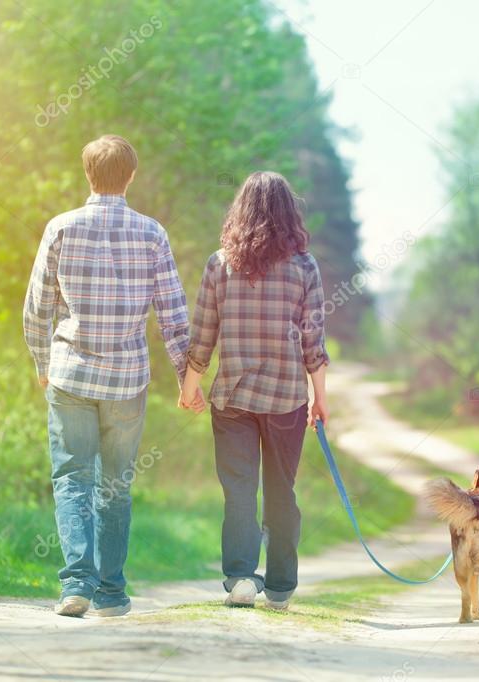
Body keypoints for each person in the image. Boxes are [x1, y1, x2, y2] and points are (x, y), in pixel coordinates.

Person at [23, 134, 201, 618]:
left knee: (71, 480)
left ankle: (75, 585)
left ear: (88, 174)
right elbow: (172, 314)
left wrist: (43, 363)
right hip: (126, 380)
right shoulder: (152, 233)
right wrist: (188, 377)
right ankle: (111, 592)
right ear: (131, 176)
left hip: (71, 375)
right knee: (115, 485)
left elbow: (37, 307)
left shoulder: (60, 228)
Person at [179, 170, 329, 611]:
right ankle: (281, 586)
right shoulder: (305, 266)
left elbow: (202, 334)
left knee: (239, 490)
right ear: (289, 213)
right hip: (286, 399)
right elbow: (313, 340)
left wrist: (191, 386)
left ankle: (241, 577)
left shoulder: (219, 264)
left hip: (233, 400)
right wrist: (321, 398)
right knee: (282, 490)